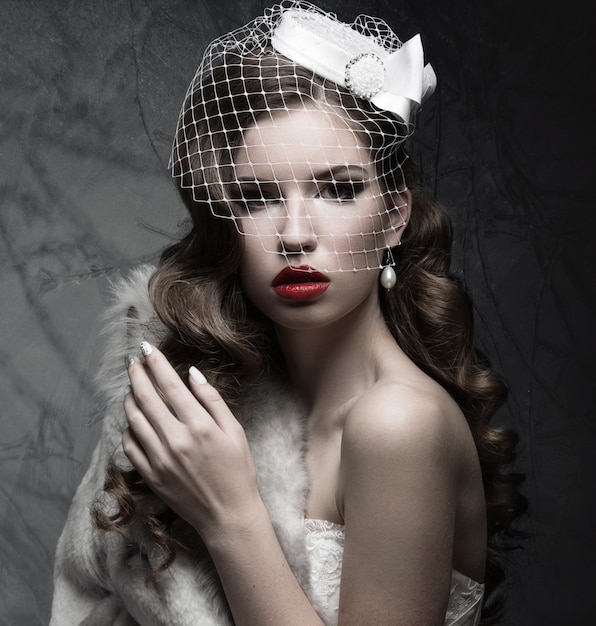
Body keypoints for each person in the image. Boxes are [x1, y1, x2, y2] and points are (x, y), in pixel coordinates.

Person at [51, 2, 524, 624]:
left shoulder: (398, 424)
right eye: (257, 196)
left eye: (338, 188)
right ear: (226, 225)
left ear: (395, 216)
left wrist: (229, 515)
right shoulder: (205, 398)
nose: (295, 233)